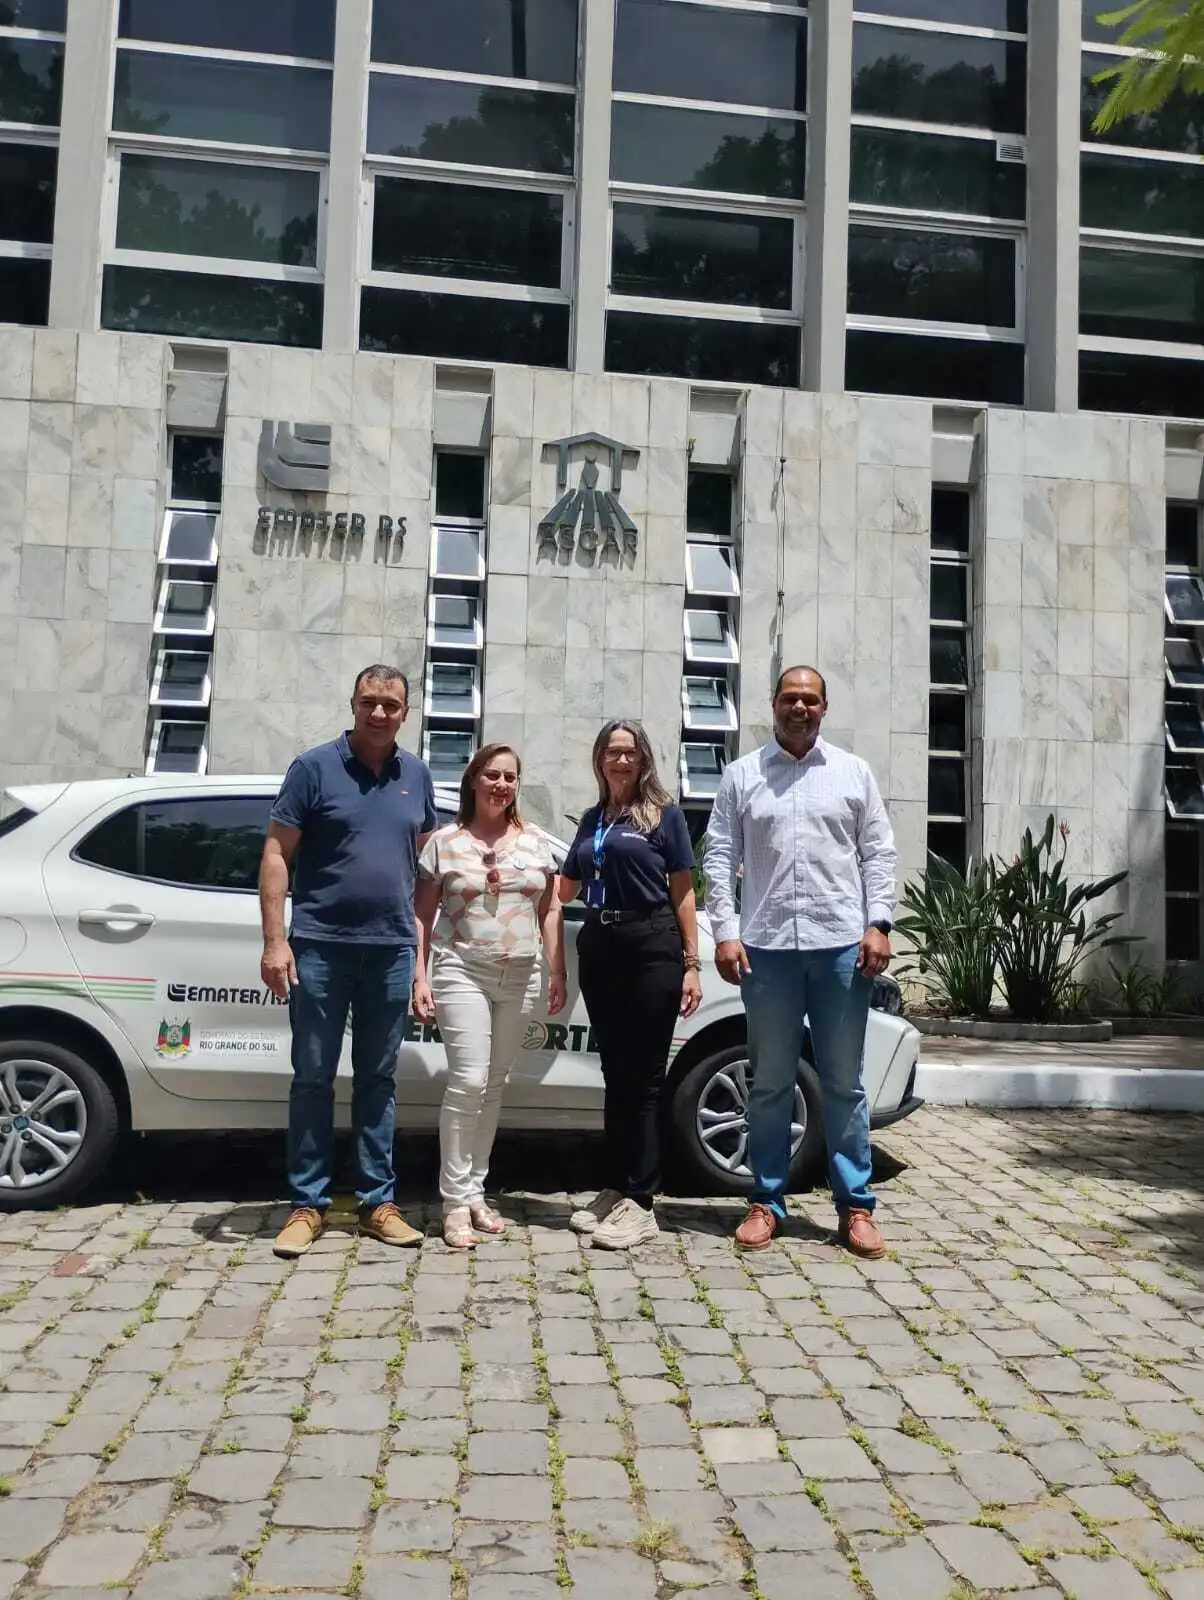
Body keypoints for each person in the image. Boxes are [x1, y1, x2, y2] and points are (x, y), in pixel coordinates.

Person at [704, 665, 896, 1258]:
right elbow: (718, 855)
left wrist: (879, 922)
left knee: (843, 1084)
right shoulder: (743, 775)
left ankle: (856, 1208)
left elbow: (878, 852)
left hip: (841, 947)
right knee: (769, 1085)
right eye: (790, 698)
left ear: (824, 707)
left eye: (810, 700)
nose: (800, 708)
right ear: (774, 704)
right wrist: (726, 931)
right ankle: (765, 1202)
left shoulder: (852, 773)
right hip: (765, 951)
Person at [259, 663, 436, 1259]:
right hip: (320, 946)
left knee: (378, 1080)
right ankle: (306, 1205)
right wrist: (275, 940)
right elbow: (277, 854)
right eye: (369, 702)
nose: (380, 713)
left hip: (389, 950)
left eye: (391, 704)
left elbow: (419, 874)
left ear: (406, 712)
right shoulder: (313, 768)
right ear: (353, 704)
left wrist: (419, 958)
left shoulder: (418, 774)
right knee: (312, 1076)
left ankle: (375, 1203)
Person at [411, 745, 566, 1249]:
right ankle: (453, 1201)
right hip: (462, 970)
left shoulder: (538, 843)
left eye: (510, 777)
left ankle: (476, 1191)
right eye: (492, 775)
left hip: (521, 975)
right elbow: (423, 915)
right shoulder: (443, 843)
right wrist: (420, 975)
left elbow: (550, 911)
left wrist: (556, 970)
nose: (501, 785)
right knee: (469, 1081)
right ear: (473, 781)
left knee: (495, 1084)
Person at [558, 720, 702, 1250]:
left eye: (630, 753)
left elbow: (683, 892)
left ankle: (642, 1202)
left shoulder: (664, 817)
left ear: (643, 760)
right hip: (600, 946)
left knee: (643, 1080)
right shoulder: (595, 818)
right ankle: (616, 1188)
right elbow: (566, 882)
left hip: (650, 946)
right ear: (599, 760)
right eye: (612, 753)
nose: (621, 761)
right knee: (614, 1076)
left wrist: (691, 962)